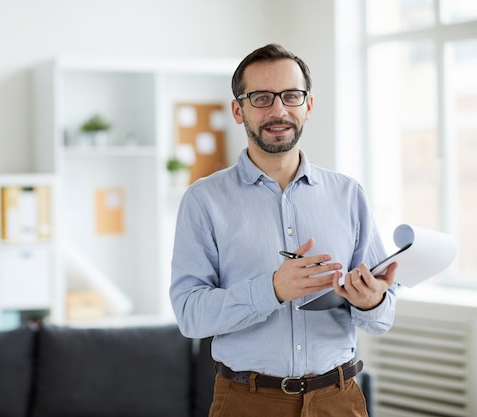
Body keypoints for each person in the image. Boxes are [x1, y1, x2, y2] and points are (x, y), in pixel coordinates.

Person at [169, 43, 398, 417]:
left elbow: (382, 317)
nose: (278, 110)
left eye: (291, 96)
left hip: (338, 399)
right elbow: (190, 314)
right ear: (238, 110)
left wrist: (372, 301)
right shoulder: (203, 200)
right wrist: (271, 290)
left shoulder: (348, 194)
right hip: (246, 402)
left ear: (308, 105)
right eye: (261, 98)